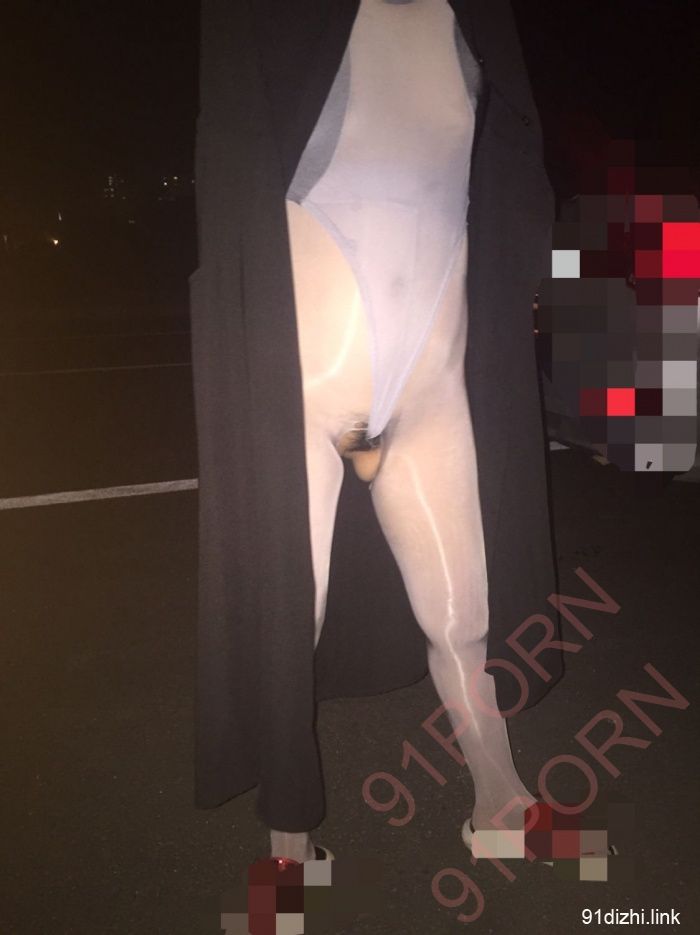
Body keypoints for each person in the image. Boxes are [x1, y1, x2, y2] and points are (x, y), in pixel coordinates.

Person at [189, 0, 564, 864]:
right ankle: (288, 852)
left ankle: (501, 802)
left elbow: (506, 189)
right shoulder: (287, 22)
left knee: (464, 614)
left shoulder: (478, 24)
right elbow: (232, 148)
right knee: (293, 615)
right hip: (302, 391)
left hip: (428, 394)